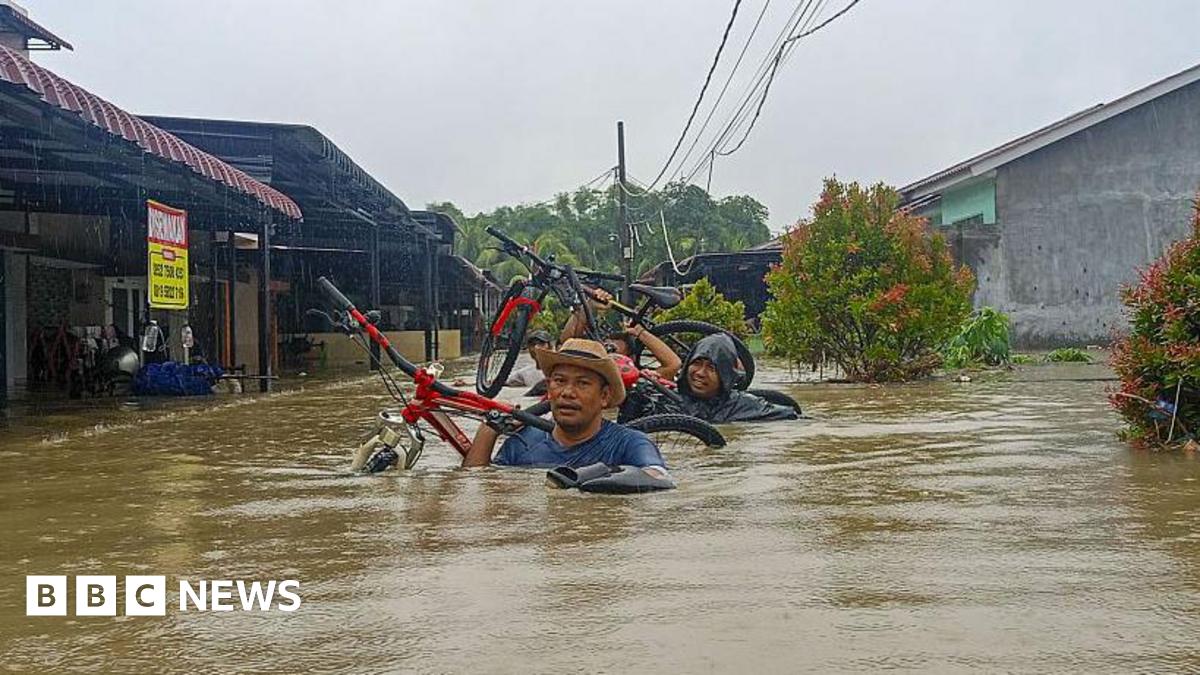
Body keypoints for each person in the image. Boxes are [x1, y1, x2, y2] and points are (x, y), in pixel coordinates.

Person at [464, 338, 672, 483]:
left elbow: (658, 477)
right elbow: (475, 488)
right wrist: (488, 431)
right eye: (560, 381)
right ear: (548, 388)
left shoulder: (630, 443)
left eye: (582, 383)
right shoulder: (523, 443)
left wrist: (590, 478)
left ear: (605, 396)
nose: (567, 392)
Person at [677, 333, 799, 423]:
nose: (700, 373)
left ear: (725, 375)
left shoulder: (744, 406)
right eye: (696, 363)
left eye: (711, 368)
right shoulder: (671, 400)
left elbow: (791, 416)